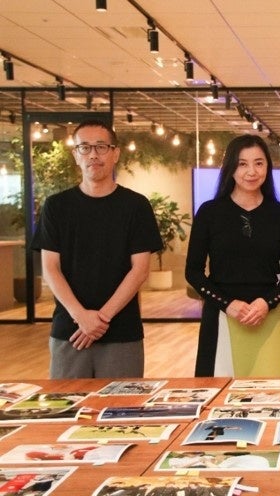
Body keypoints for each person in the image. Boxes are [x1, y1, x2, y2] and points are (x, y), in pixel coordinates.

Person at [31, 119, 161, 379]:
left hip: (122, 332)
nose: (93, 155)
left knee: (122, 403)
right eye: (85, 147)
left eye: (101, 147)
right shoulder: (56, 206)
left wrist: (101, 319)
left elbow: (139, 270)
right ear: (75, 155)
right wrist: (81, 317)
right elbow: (50, 268)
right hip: (70, 331)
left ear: (115, 153)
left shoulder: (136, 206)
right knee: (67, 402)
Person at [186, 134, 280, 377]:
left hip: (267, 315)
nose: (251, 171)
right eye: (242, 164)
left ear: (267, 167)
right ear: (231, 168)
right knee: (218, 390)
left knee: (270, 391)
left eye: (259, 163)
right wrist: (228, 305)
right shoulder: (209, 212)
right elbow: (193, 272)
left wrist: (266, 303)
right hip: (221, 316)